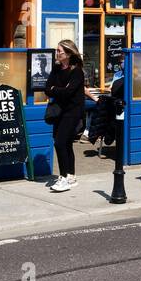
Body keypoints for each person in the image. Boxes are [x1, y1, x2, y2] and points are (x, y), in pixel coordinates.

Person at [47, 40, 95, 193]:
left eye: (59, 51)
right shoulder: (56, 68)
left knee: (59, 142)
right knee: (66, 143)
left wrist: (56, 89)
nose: (57, 53)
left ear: (68, 54)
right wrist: (59, 89)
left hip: (72, 112)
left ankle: (63, 178)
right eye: (57, 50)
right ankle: (71, 176)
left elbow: (69, 92)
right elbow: (47, 88)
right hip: (59, 110)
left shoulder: (76, 71)